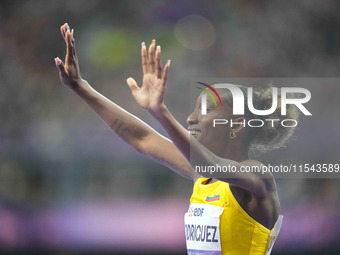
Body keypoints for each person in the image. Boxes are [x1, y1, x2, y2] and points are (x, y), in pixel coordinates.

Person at [55, 23, 299, 255]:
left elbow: (209, 164)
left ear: (235, 124)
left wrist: (160, 112)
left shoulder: (256, 176)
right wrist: (80, 86)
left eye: (205, 110)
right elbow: (141, 138)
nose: (191, 118)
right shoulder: (203, 176)